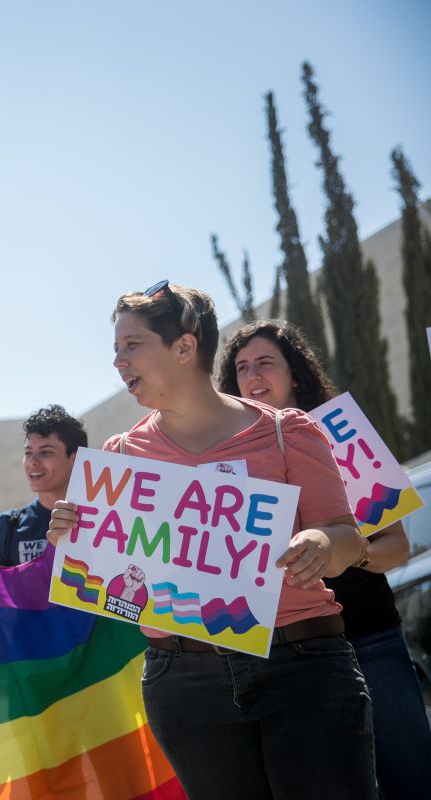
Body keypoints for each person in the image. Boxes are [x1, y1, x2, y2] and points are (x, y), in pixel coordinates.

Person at [47, 282, 375, 799]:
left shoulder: (289, 432)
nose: (118, 361)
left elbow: (347, 538)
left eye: (132, 345)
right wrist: (74, 537)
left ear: (183, 346)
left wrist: (320, 541)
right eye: (115, 350)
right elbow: (114, 585)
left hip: (302, 669)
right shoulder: (119, 456)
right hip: (183, 683)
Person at [219, 318, 431, 800]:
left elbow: (397, 548)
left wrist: (344, 553)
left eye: (265, 363)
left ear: (295, 374)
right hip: (291, 658)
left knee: (412, 779)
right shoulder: (224, 465)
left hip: (368, 641)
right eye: (241, 367)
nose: (252, 376)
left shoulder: (343, 436)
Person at [0, 405, 87, 579]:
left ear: (75, 458)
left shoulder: (105, 524)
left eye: (46, 452)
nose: (32, 461)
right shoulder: (7, 527)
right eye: (28, 453)